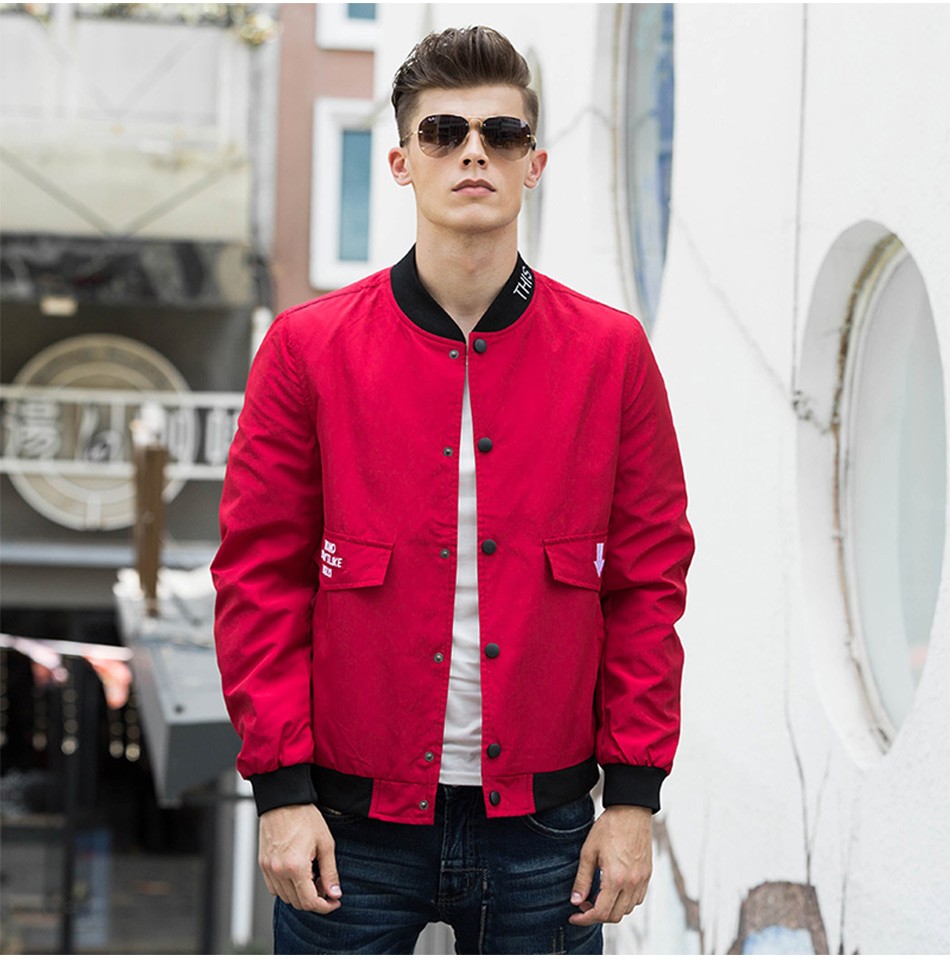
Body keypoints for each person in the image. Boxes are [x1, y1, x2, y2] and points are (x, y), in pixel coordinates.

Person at [213, 24, 694, 955]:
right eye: (443, 132)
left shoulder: (612, 354)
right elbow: (258, 578)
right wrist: (280, 791)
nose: (474, 152)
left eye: (501, 134)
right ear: (400, 161)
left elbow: (649, 581)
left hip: (548, 833)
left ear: (534, 164)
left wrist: (633, 798)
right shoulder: (308, 349)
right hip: (347, 826)